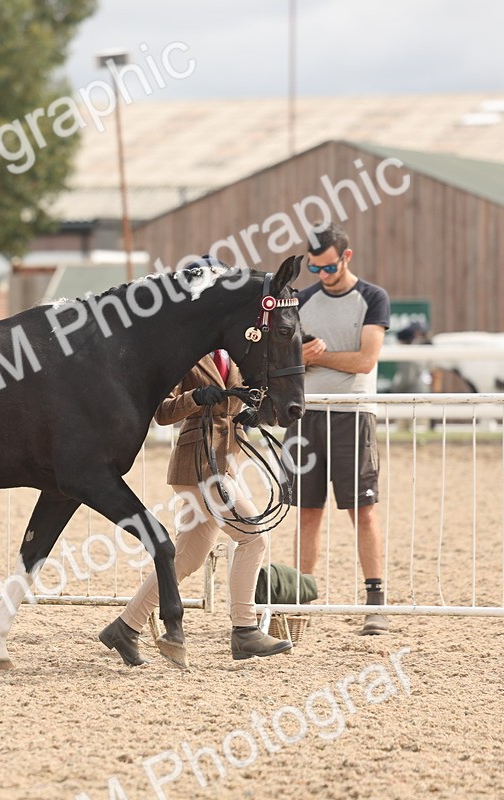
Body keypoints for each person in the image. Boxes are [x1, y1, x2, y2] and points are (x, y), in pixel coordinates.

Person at [98, 349, 293, 666]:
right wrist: (196, 397)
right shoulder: (185, 352)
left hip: (225, 462)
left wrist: (256, 413)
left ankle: (125, 626)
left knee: (187, 557)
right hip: (199, 466)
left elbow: (254, 393)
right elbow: (163, 412)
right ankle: (245, 629)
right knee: (253, 536)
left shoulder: (236, 354)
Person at [286, 222, 391, 635]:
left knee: (362, 512)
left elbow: (366, 361)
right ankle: (298, 601)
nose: (321, 276)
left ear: (346, 257)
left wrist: (317, 357)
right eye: (314, 269)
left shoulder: (372, 298)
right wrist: (303, 358)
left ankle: (376, 601)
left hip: (353, 415)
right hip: (307, 416)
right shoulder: (302, 300)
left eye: (327, 268)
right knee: (307, 514)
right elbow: (286, 357)